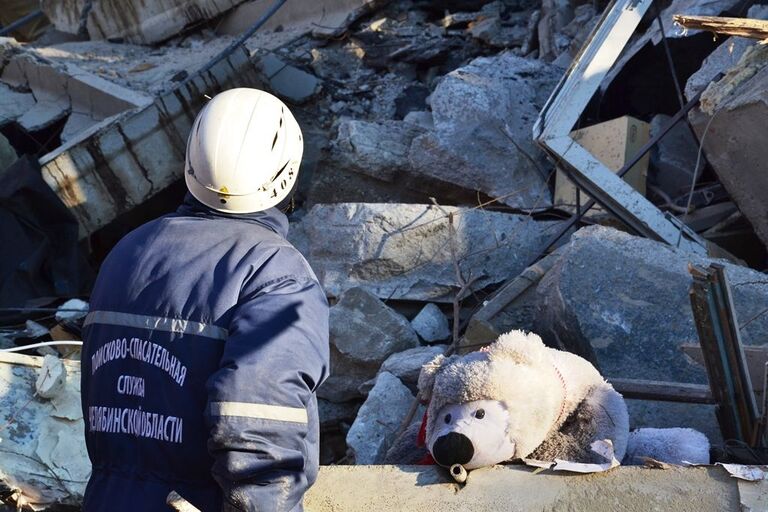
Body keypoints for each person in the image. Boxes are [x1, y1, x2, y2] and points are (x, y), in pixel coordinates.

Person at [80, 88, 330, 512]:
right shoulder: (275, 272)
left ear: (190, 159)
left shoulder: (126, 253)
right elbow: (258, 431)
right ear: (289, 171)